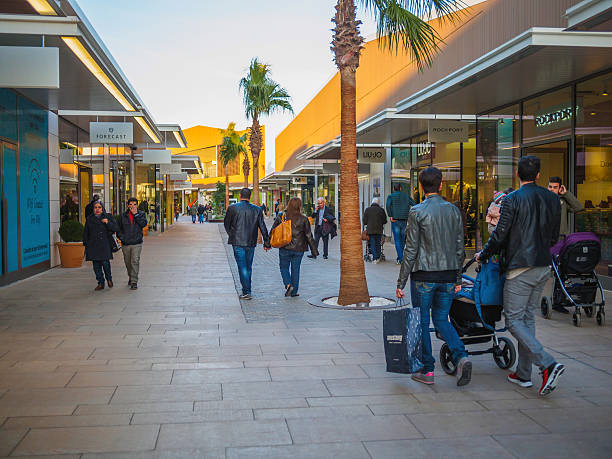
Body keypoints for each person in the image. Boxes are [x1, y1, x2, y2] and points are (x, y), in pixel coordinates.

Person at [477, 156, 564, 396]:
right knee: (528, 319)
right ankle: (523, 374)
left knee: (514, 321)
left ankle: (547, 364)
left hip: (519, 267)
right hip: (542, 266)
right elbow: (554, 237)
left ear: (517, 174)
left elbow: (500, 235)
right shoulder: (552, 199)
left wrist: (483, 254)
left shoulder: (512, 199)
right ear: (538, 175)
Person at [396, 167, 471, 387]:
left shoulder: (417, 211)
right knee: (441, 319)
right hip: (448, 277)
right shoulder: (453, 210)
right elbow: (460, 247)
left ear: (420, 186)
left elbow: (410, 250)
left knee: (421, 321)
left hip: (423, 277)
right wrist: (458, 278)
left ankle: (427, 369)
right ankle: (461, 356)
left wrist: (401, 281)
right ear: (440, 185)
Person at [224, 188, 271, 300]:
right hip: (250, 242)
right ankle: (247, 290)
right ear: (249, 196)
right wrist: (267, 242)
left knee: (242, 267)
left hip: (238, 242)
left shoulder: (232, 208)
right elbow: (262, 226)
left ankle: (246, 291)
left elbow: (226, 224)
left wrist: (232, 235)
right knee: (248, 266)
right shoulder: (257, 209)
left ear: (240, 195)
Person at [271, 197, 318, 297]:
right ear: (300, 206)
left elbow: (273, 230)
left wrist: (267, 244)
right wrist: (314, 251)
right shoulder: (304, 219)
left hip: (284, 247)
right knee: (295, 270)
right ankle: (294, 292)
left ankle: (288, 285)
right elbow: (309, 236)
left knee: (283, 267)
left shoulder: (281, 216)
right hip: (299, 249)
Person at [83, 201, 119, 291]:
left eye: (99, 207)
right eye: (95, 207)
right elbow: (86, 233)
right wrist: (86, 244)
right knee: (96, 266)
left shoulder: (108, 217)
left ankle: (109, 279)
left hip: (104, 245)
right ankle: (100, 283)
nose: (97, 209)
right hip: (93, 245)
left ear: (102, 208)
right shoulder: (89, 219)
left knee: (105, 263)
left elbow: (115, 228)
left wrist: (107, 223)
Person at [118, 197, 148, 290]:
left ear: (137, 205)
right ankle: (131, 277)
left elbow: (143, 224)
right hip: (126, 243)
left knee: (135, 261)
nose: (132, 206)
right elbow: (118, 229)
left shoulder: (141, 214)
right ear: (128, 205)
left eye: (134, 204)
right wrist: (122, 238)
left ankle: (134, 281)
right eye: (130, 204)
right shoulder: (123, 216)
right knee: (128, 262)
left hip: (137, 243)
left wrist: (136, 215)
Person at [386, 184, 416, 264]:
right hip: (404, 220)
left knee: (397, 239)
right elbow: (414, 204)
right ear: (400, 188)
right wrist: (409, 213)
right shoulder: (406, 196)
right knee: (402, 239)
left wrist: (391, 215)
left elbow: (388, 205)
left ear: (393, 189)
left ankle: (400, 258)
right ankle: (401, 257)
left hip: (395, 220)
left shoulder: (391, 196)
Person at [363, 197, 387, 264]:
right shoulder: (381, 210)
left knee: (372, 243)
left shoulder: (367, 210)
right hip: (379, 229)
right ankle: (378, 257)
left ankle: (375, 258)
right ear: (378, 203)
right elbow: (385, 221)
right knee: (378, 243)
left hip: (370, 230)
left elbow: (364, 221)